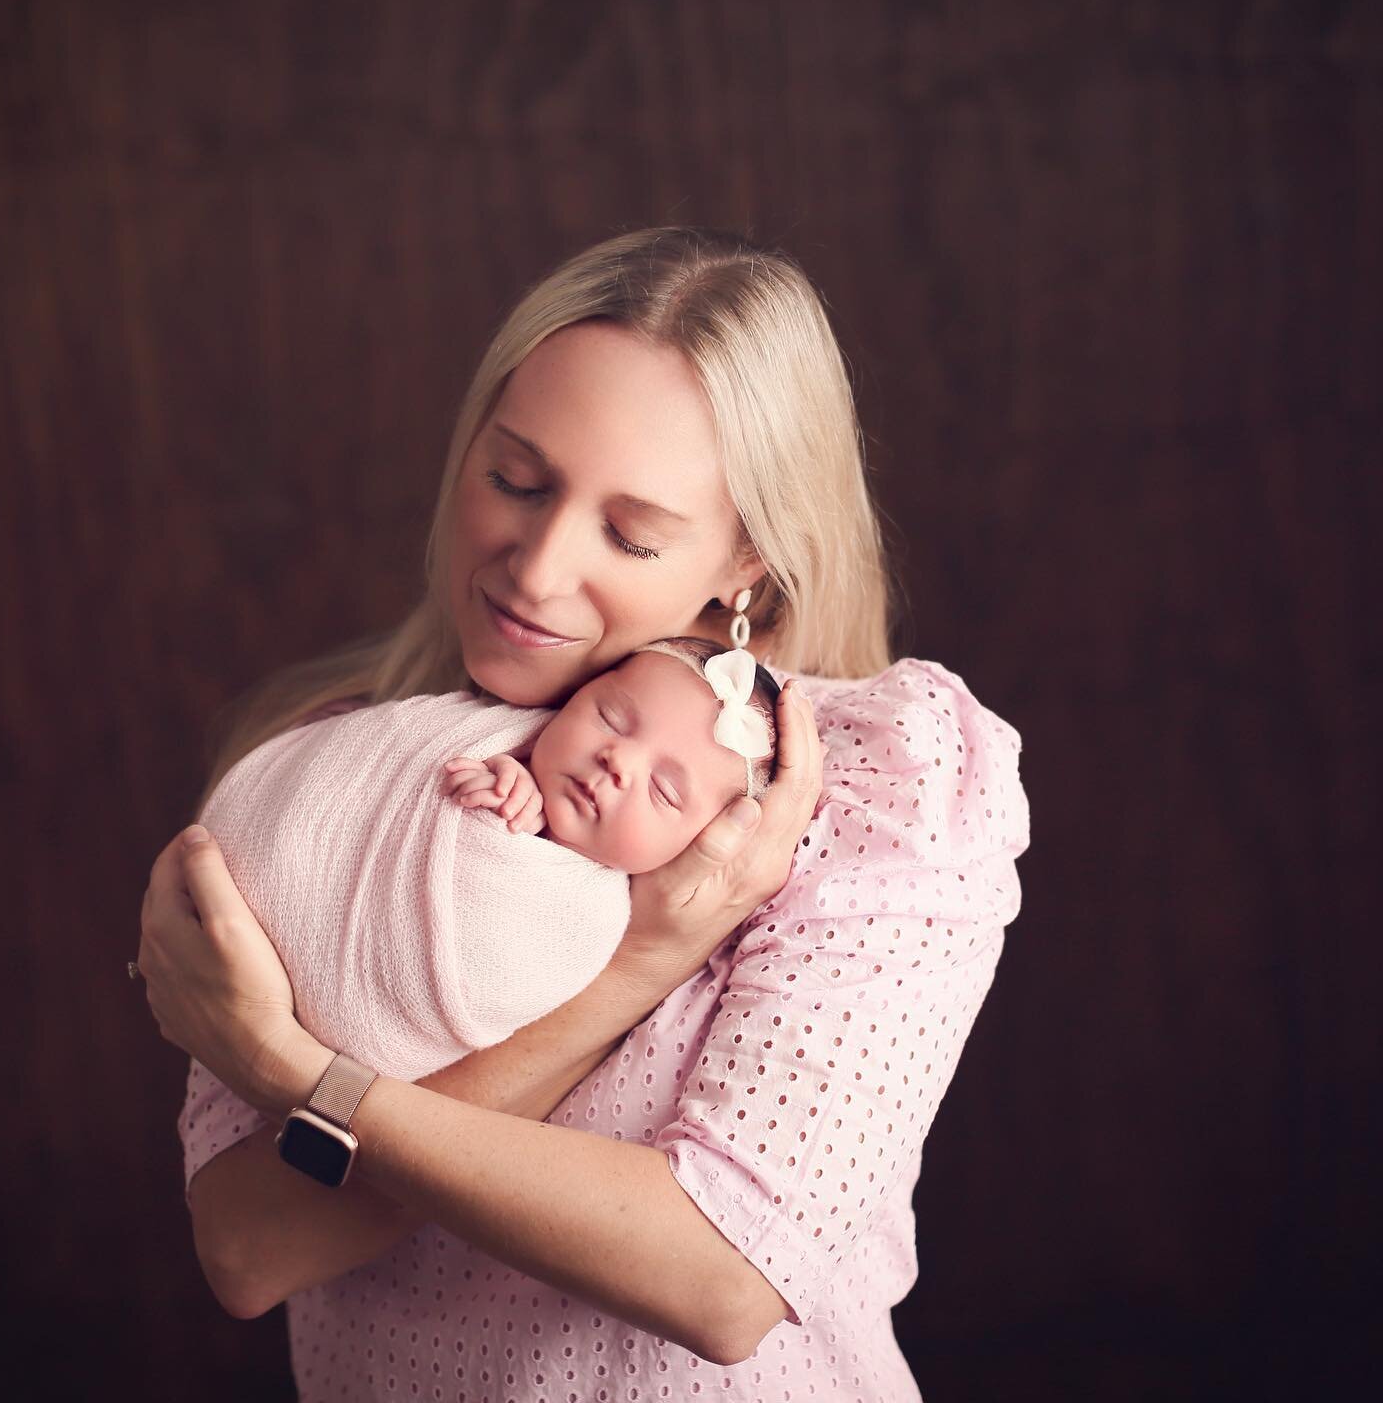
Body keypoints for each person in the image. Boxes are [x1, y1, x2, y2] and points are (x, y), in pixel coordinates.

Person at [136, 224, 1030, 1402]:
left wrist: (290, 1066)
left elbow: (721, 1277)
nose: (538, 568)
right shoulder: (327, 768)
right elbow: (251, 1249)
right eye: (515, 478)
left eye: (632, 532)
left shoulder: (873, 782)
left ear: (745, 564)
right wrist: (634, 966)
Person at [191, 637, 781, 1084]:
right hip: (265, 877)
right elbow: (420, 786)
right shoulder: (502, 746)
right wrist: (502, 779)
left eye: (664, 792)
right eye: (610, 717)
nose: (617, 761)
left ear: (704, 842)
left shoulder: (594, 921)